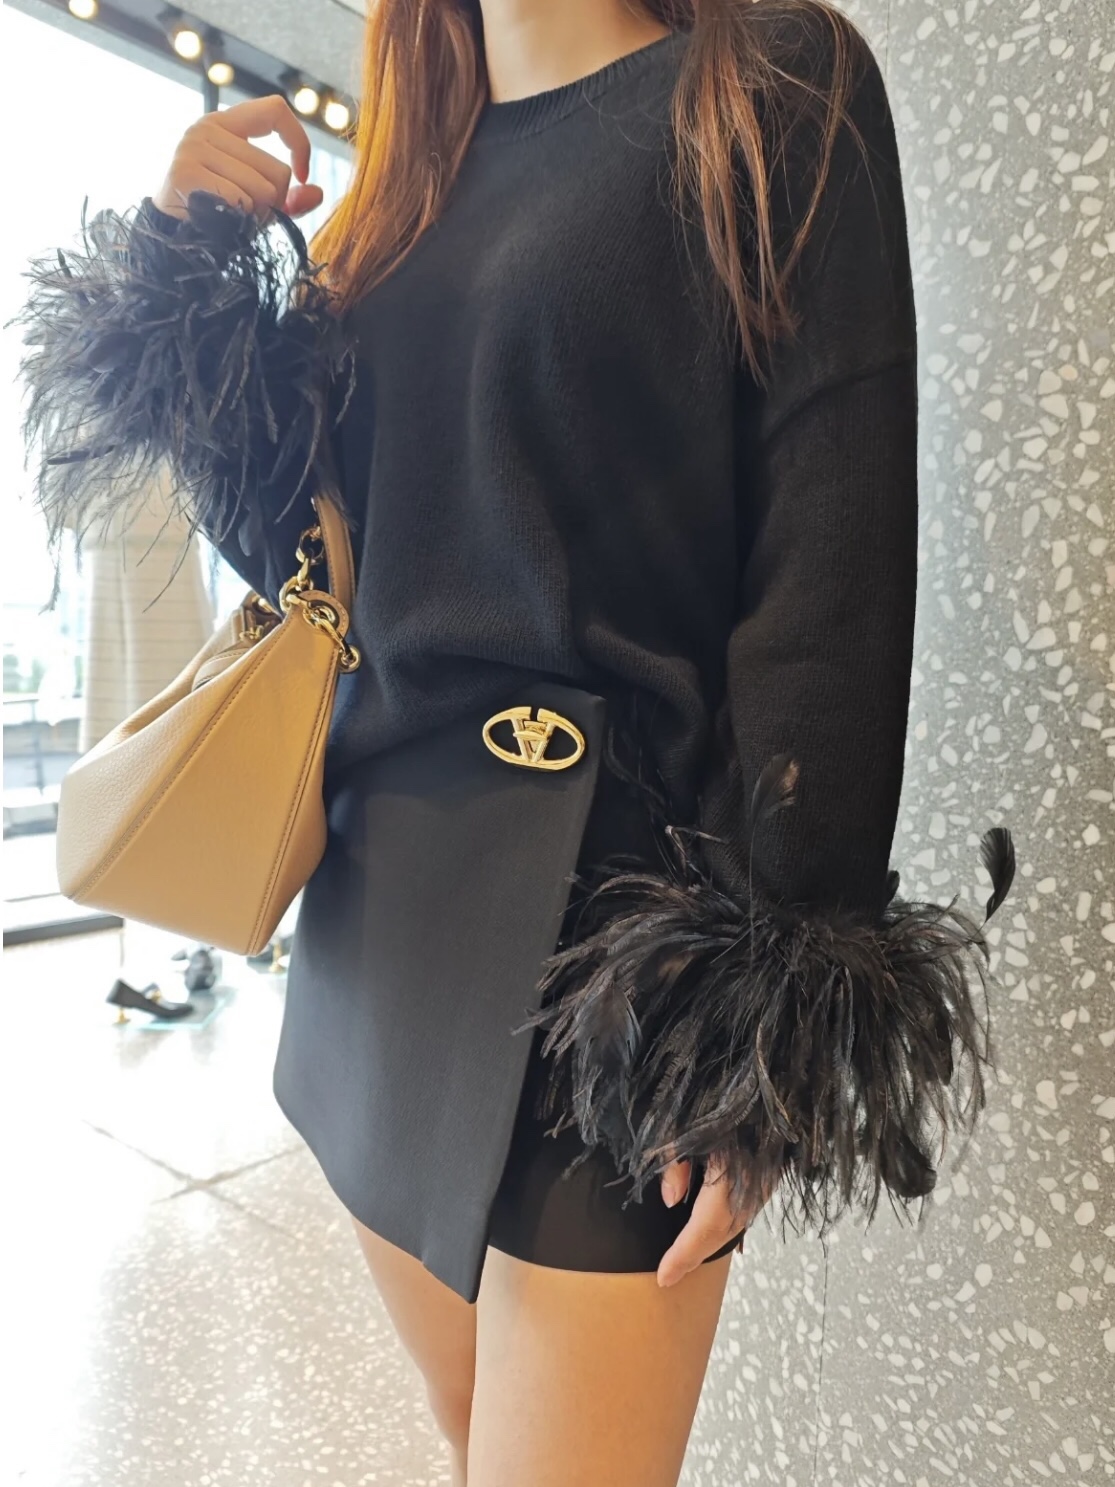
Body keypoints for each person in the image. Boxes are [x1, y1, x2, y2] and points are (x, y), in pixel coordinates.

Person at [14, 1, 1016, 1483]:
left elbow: (830, 577)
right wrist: (183, 266)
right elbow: (302, 560)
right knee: (472, 1435)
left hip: (621, 951)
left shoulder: (767, 85)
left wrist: (770, 1016)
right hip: (378, 914)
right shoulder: (402, 194)